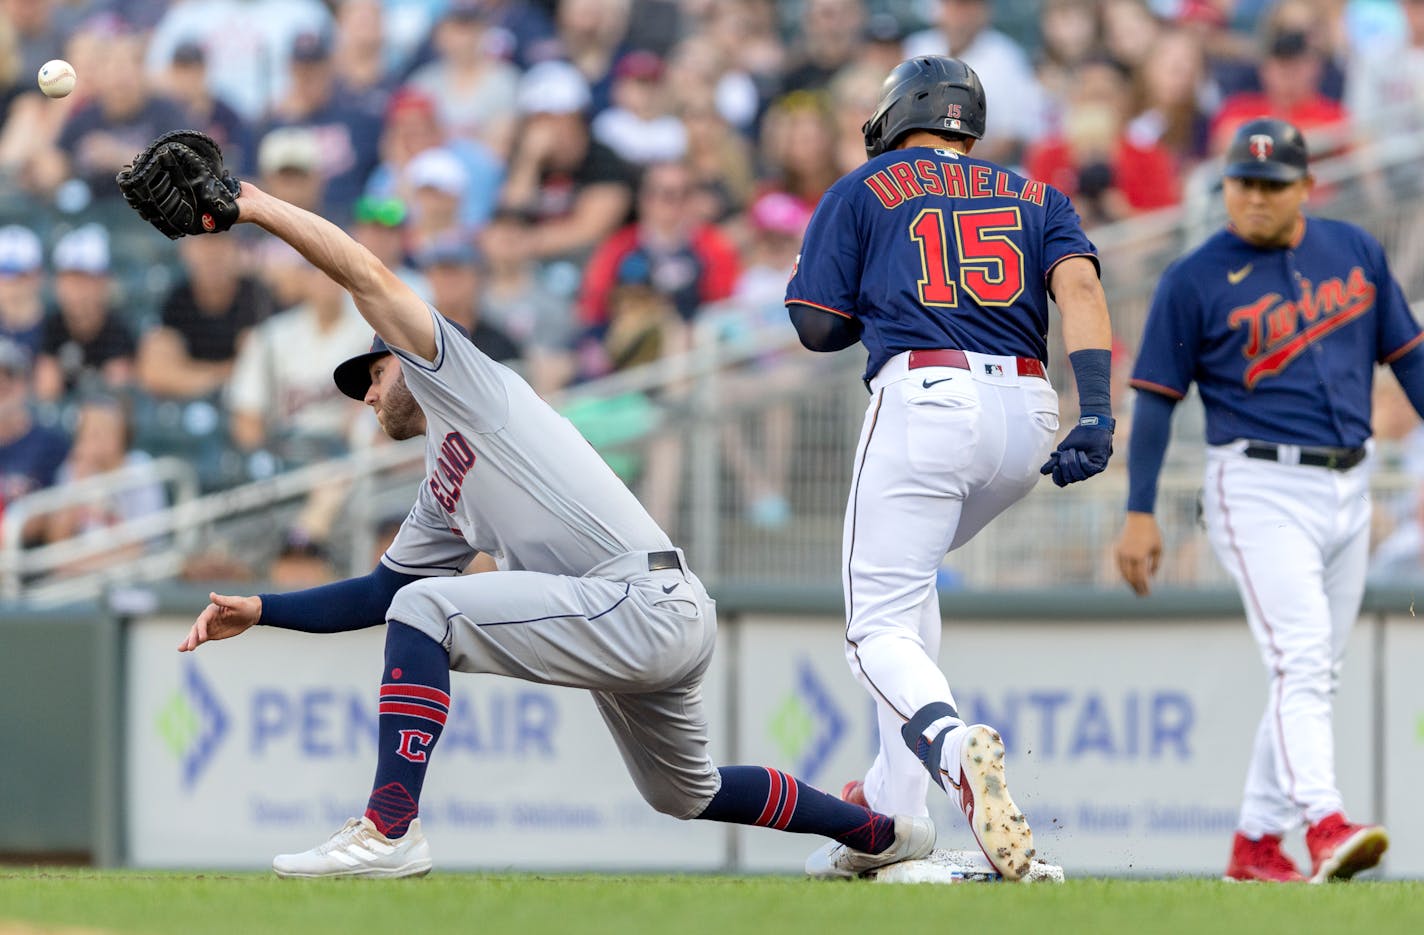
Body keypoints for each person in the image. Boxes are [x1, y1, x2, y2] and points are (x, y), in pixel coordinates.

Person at [149, 137, 936, 881]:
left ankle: (389, 828)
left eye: (372, 371)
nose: (368, 390)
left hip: (640, 598)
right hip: (645, 609)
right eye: (359, 386)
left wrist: (255, 205)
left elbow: (365, 277)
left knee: (432, 607)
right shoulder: (441, 487)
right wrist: (261, 607)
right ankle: (881, 835)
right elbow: (378, 594)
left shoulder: (466, 384)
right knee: (683, 792)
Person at [785, 55, 1116, 882]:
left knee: (874, 628)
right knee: (908, 590)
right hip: (1030, 413)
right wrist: (1101, 408)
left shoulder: (867, 186)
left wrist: (875, 287)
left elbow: (816, 325)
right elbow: (1077, 286)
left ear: (899, 114)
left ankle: (944, 746)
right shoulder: (1037, 194)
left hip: (928, 396)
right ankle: (893, 817)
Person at [1113, 117, 1403, 884]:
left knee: (1312, 668)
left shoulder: (1355, 251)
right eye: (1242, 182)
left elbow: (1407, 355)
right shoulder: (1194, 276)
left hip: (1350, 479)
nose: (1254, 196)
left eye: (1272, 185)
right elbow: (1154, 400)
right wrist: (1140, 508)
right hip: (1258, 484)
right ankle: (1324, 821)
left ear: (1306, 186)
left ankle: (1255, 843)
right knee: (1304, 656)